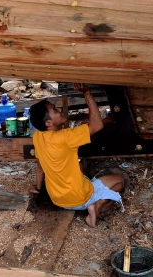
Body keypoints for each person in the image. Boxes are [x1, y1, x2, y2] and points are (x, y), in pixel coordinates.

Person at [29, 83, 126, 227]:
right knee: (119, 180)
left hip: (58, 199)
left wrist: (38, 188)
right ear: (49, 123)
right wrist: (87, 92)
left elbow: (40, 168)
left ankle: (91, 203)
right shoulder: (66, 137)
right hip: (80, 198)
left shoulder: (37, 136)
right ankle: (97, 207)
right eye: (55, 110)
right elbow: (96, 126)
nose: (60, 109)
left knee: (81, 169)